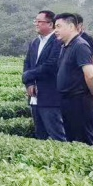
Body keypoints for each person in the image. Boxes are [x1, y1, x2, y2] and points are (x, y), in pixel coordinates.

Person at [53, 13, 93, 145]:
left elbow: (90, 74)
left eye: (58, 26)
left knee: (83, 141)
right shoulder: (65, 46)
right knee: (72, 140)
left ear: (70, 26)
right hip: (67, 101)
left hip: (79, 101)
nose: (55, 30)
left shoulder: (80, 46)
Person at [22, 10, 66, 141]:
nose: (36, 24)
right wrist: (29, 83)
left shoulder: (58, 42)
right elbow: (27, 63)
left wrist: (28, 75)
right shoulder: (34, 42)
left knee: (57, 135)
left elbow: (51, 65)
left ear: (50, 24)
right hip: (35, 97)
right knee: (40, 135)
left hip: (50, 97)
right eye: (35, 21)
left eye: (39, 21)